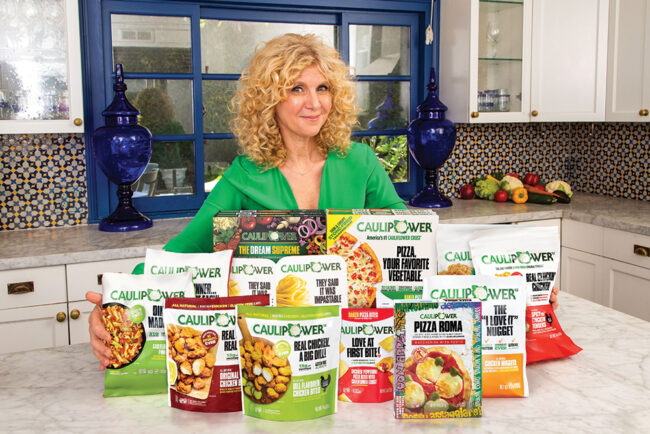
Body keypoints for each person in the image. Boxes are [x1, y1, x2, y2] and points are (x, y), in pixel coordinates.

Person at [86, 33, 560, 369]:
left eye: (323, 88)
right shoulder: (245, 177)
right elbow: (176, 258)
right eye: (296, 88)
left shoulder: (361, 163)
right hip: (283, 353)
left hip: (364, 350)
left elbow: (420, 245)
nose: (314, 102)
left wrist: (514, 285)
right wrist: (115, 301)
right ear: (268, 99)